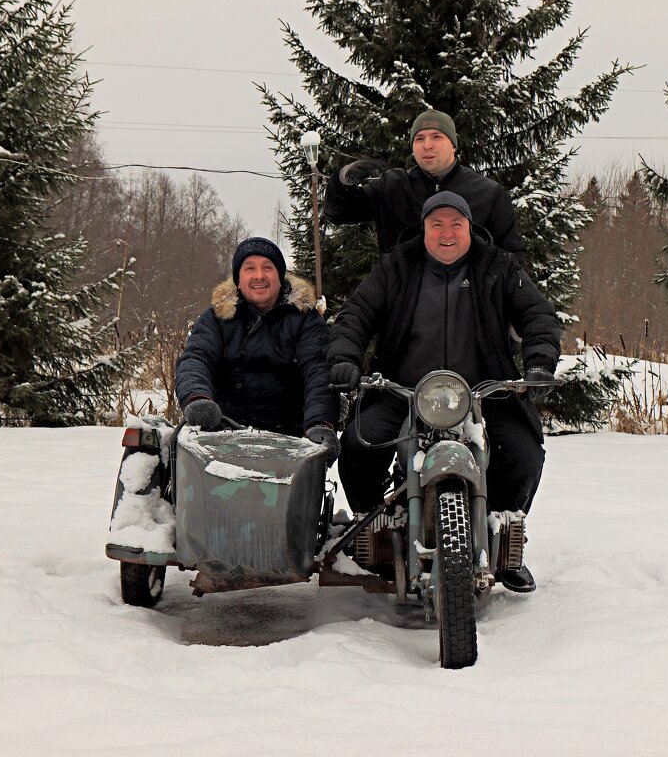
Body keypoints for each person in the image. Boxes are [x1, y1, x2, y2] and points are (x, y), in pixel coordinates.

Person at [327, 191, 559, 592]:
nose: (446, 233)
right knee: (358, 445)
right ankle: (377, 532)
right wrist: (345, 357)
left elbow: (538, 314)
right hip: (403, 391)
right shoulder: (396, 267)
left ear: (470, 229)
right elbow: (355, 315)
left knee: (523, 451)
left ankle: (502, 542)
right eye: (437, 224)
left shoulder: (499, 268)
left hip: (484, 394)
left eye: (456, 224)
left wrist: (538, 362)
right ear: (424, 229)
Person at [175, 236, 339, 461]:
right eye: (249, 268)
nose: (259, 275)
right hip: (222, 431)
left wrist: (320, 422)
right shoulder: (216, 317)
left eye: (268, 267)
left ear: (280, 277)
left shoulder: (306, 319)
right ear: (239, 280)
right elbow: (196, 357)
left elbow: (319, 371)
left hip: (289, 439)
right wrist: (197, 399)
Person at [324, 110, 526, 261]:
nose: (427, 145)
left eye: (437, 136)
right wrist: (342, 181)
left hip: (467, 307)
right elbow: (338, 214)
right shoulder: (392, 186)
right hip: (403, 306)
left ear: (453, 145)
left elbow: (513, 257)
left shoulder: (488, 192)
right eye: (419, 139)